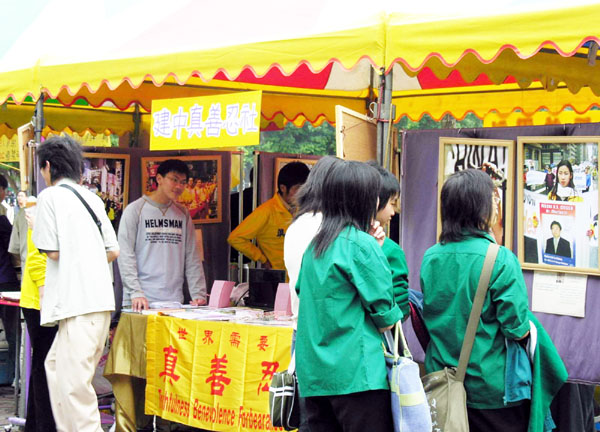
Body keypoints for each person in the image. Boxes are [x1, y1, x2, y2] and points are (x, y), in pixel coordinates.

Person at [420, 169, 531, 432]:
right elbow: (517, 329)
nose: (496, 204)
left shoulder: (431, 257)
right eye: (493, 198)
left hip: (442, 384)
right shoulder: (501, 259)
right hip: (490, 389)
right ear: (479, 208)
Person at [295, 160, 402, 432]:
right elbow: (387, 318)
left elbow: (303, 292)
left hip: (315, 376)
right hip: (358, 376)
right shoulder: (362, 244)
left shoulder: (314, 246)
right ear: (363, 199)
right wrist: (376, 249)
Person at [32, 136, 120, 432]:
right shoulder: (91, 198)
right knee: (57, 369)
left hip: (77, 305)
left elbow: (52, 251)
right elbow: (113, 250)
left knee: (73, 387)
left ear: (47, 166)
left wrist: (34, 225)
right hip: (97, 303)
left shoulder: (49, 197)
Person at [118, 159, 207, 312]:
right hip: (140, 301)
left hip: (173, 301)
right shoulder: (135, 210)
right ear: (159, 179)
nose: (179, 186)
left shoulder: (183, 214)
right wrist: (135, 292)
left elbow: (192, 256)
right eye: (174, 180)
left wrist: (198, 293)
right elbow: (125, 254)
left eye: (183, 182)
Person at [20, 197, 58, 432]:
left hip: (44, 300)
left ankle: (36, 425)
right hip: (39, 301)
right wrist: (45, 297)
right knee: (45, 365)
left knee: (42, 364)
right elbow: (36, 258)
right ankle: (44, 426)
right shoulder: (41, 209)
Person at [228, 161, 310, 270]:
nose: (302, 193)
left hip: (303, 275)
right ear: (283, 188)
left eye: (305, 189)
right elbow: (236, 238)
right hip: (279, 276)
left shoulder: (305, 210)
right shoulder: (266, 211)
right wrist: (261, 258)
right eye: (298, 189)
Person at [367, 161, 410, 319]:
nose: (394, 211)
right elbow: (401, 308)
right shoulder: (390, 250)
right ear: (376, 201)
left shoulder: (333, 242)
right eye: (392, 203)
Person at [0, 175, 18, 385]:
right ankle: (15, 376)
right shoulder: (3, 221)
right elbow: (13, 249)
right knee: (12, 333)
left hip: (5, 281)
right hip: (5, 282)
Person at [9, 190, 28, 269]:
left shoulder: (20, 214)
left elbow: (14, 247)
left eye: (22, 196)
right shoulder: (14, 210)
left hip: (26, 260)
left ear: (26, 198)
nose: (19, 198)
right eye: (18, 196)